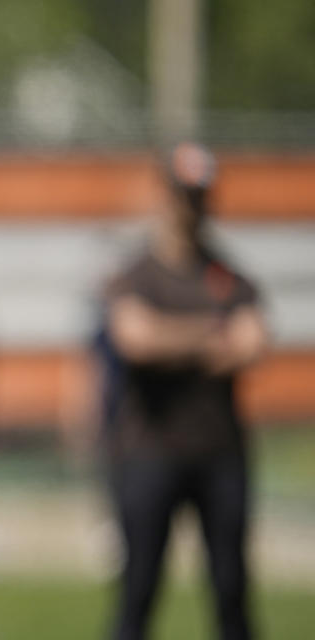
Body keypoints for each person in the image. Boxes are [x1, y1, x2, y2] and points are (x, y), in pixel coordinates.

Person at [97, 142, 268, 640]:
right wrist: (213, 333)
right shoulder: (137, 274)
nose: (191, 206)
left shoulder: (229, 274)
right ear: (164, 195)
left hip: (221, 455)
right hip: (149, 453)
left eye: (200, 195)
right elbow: (135, 339)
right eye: (183, 194)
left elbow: (253, 341)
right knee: (139, 592)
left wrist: (171, 336)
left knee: (232, 591)